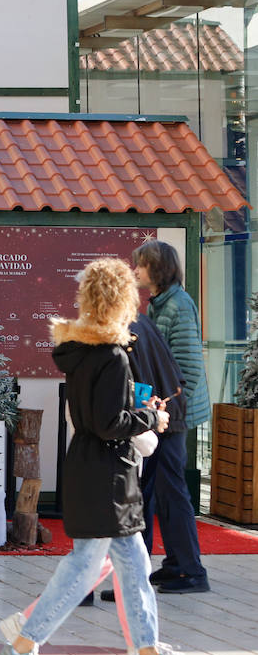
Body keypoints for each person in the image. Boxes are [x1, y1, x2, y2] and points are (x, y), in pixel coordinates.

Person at [0, 258, 198, 655]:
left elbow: (96, 419)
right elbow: (110, 423)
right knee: (84, 568)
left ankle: (146, 651)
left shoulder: (81, 350)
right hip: (109, 473)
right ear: (123, 299)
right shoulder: (113, 356)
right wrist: (148, 418)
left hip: (93, 467)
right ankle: (22, 648)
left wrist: (134, 415)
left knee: (134, 563)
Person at [132, 239, 211, 595]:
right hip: (164, 412)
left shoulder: (177, 305)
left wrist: (164, 413)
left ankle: (191, 571)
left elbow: (188, 372)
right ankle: (170, 565)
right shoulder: (162, 303)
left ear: (158, 269)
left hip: (172, 416)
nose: (136, 270)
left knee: (171, 490)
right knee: (156, 491)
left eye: (141, 264)